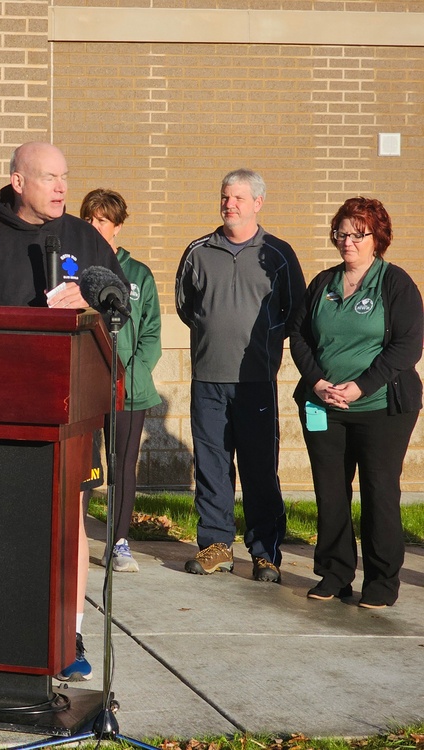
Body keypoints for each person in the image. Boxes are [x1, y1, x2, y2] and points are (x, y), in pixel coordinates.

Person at [0, 142, 126, 682]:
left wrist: (88, 300)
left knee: (70, 521)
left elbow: (119, 301)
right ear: (18, 181)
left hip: (72, 406)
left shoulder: (83, 235)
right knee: (2, 520)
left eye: (64, 176)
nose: (61, 187)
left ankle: (70, 629)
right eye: (48, 177)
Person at [174, 168, 305, 584]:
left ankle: (265, 552)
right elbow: (186, 307)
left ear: (258, 203)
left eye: (238, 199)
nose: (229, 204)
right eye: (225, 197)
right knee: (211, 465)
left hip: (257, 381)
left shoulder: (278, 254)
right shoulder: (198, 251)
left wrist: (265, 347)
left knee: (259, 466)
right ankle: (216, 545)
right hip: (208, 379)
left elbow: (294, 312)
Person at [290, 198, 422, 608]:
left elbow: (407, 345)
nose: (347, 241)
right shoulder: (323, 283)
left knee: (379, 491)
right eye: (341, 233)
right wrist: (317, 381)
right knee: (330, 492)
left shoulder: (395, 283)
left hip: (382, 409)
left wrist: (362, 386)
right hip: (323, 407)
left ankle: (382, 582)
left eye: (357, 234)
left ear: (376, 237)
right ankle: (334, 573)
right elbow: (299, 336)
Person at [79, 189, 161, 574]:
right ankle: (73, 537)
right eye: (90, 220)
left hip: (130, 390)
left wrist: (134, 371)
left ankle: (118, 543)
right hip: (84, 387)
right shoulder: (74, 270)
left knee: (122, 464)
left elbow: (151, 334)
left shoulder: (139, 273)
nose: (95, 227)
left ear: (118, 226)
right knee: (81, 466)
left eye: (103, 221)